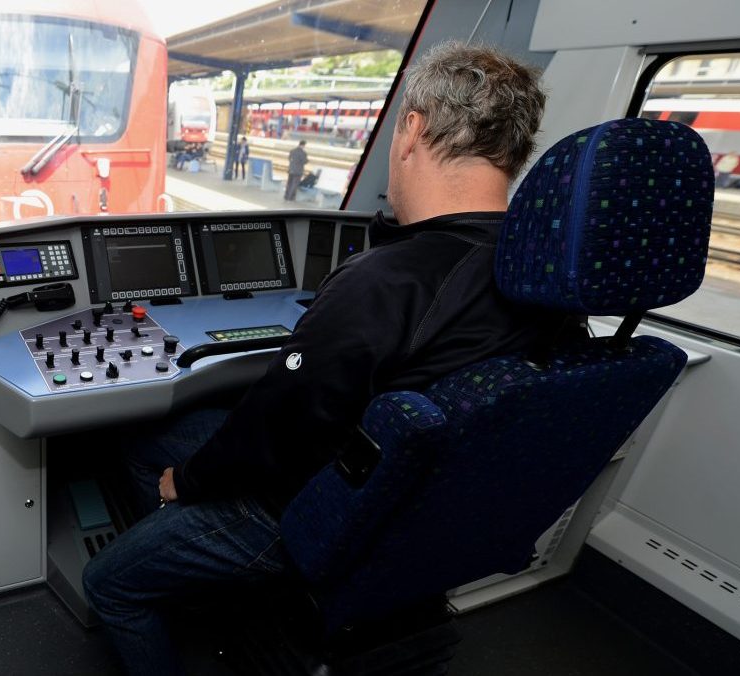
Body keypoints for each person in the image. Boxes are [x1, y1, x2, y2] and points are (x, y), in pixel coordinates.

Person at [83, 42, 567, 676]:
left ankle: (184, 572)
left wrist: (191, 484)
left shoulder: (387, 280)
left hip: (307, 511)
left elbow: (280, 425)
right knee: (160, 434)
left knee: (109, 582)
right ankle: (200, 581)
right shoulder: (546, 278)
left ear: (412, 129)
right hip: (417, 512)